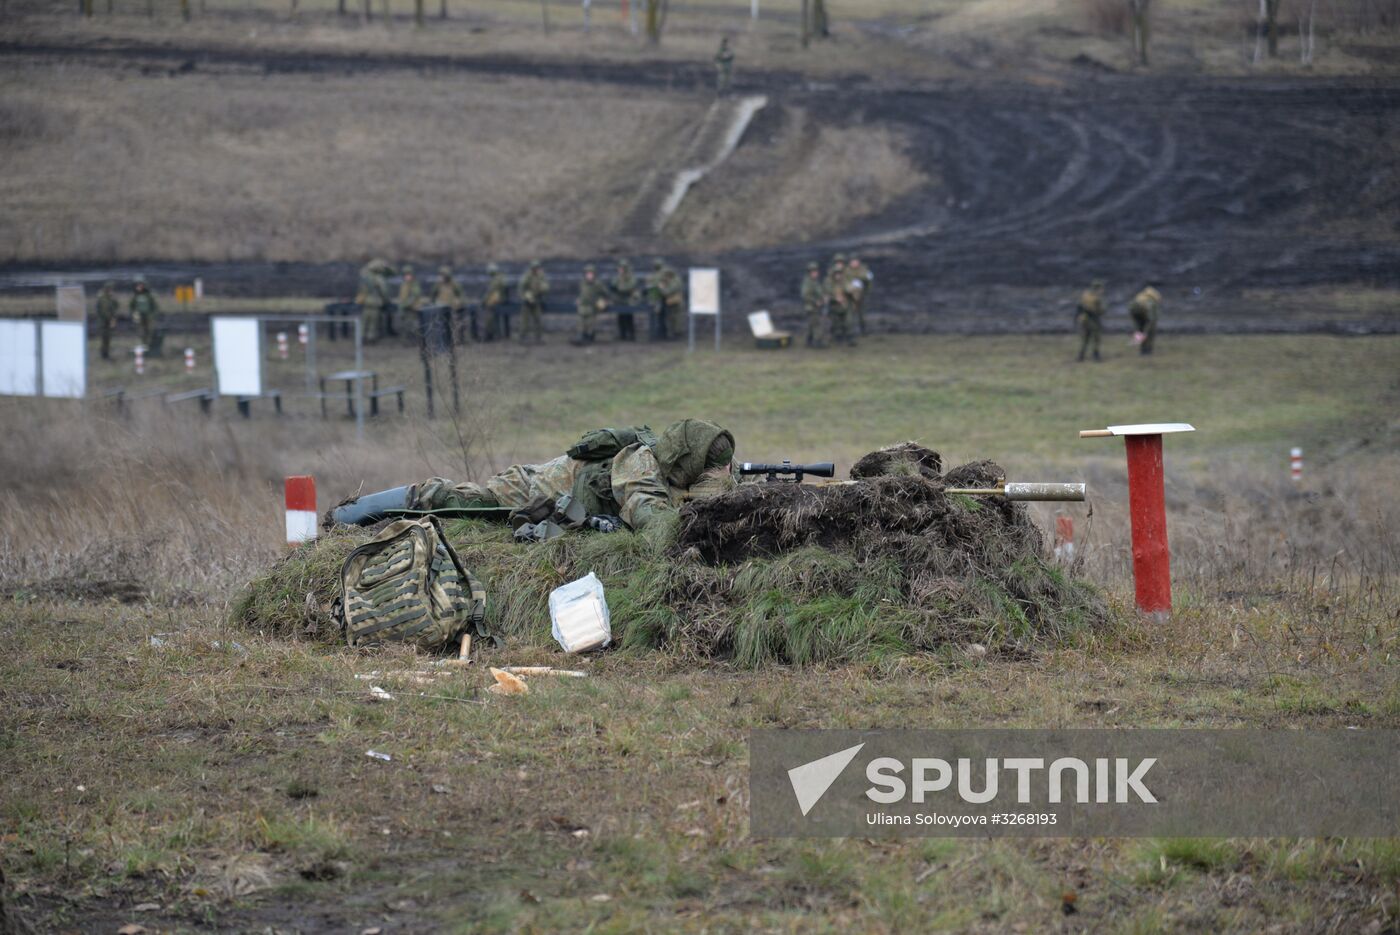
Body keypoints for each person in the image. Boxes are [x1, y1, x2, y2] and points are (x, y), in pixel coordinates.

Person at [332, 419, 736, 535]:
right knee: (458, 499)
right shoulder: (640, 465)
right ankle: (352, 513)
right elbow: (650, 518)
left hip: (556, 491)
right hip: (529, 488)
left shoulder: (674, 466)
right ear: (688, 461)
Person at [356, 258, 395, 343]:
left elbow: (361, 289)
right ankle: (371, 338)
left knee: (365, 320)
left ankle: (361, 337)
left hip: (366, 301)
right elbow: (384, 291)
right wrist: (386, 301)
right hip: (375, 301)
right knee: (373, 322)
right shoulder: (378, 278)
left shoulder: (365, 277)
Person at [575, 264, 609, 345]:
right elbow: (581, 293)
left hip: (592, 307)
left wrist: (602, 302)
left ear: (594, 274)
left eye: (590, 273)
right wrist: (579, 299)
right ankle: (581, 336)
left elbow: (605, 293)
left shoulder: (597, 284)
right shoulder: (582, 283)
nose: (589, 275)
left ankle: (589, 337)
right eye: (587, 273)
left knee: (590, 324)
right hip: (582, 306)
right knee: (580, 323)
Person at [129, 275, 162, 357]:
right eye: (138, 285)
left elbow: (154, 306)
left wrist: (153, 315)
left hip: (148, 316)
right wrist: (134, 314)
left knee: (149, 331)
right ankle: (143, 345)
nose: (139, 287)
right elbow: (132, 306)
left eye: (141, 285)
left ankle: (148, 346)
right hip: (140, 317)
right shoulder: (135, 296)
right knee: (141, 331)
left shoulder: (148, 295)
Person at [825, 254, 855, 346]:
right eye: (837, 262)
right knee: (836, 323)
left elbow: (850, 288)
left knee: (848, 322)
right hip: (835, 305)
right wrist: (835, 298)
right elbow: (827, 292)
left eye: (841, 262)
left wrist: (850, 292)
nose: (839, 264)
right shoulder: (829, 280)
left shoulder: (847, 277)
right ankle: (838, 338)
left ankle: (849, 338)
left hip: (846, 304)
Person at [432, 265, 467, 341]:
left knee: (454, 324)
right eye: (441, 275)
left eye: (444, 275)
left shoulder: (454, 284)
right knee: (440, 325)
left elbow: (461, 295)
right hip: (440, 308)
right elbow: (433, 294)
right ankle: (442, 341)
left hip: (452, 308)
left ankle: (455, 340)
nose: (442, 277)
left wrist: (459, 302)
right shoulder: (438, 284)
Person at [609, 258, 641, 341]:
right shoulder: (618, 277)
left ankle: (631, 335)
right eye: (619, 268)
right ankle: (622, 334)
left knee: (629, 318)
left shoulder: (630, 277)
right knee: (620, 318)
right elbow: (613, 285)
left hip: (628, 300)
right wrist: (615, 285)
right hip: (619, 300)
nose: (620, 269)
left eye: (622, 268)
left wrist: (618, 287)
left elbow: (629, 287)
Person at [518, 259, 549, 344]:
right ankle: (522, 338)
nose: (536, 269)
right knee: (525, 321)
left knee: (538, 320)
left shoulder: (541, 276)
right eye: (534, 267)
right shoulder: (527, 276)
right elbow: (521, 288)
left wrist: (542, 288)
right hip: (527, 302)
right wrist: (525, 296)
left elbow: (546, 286)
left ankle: (538, 338)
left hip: (536, 301)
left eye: (537, 267)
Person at [1076, 279, 1107, 362]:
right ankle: (1096, 355)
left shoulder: (1085, 294)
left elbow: (1079, 306)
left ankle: (1081, 356)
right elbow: (1100, 311)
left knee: (1085, 338)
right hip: (1093, 319)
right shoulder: (1097, 298)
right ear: (1098, 288)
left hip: (1083, 319)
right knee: (1096, 338)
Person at [1128, 282, 1162, 355]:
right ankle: (1148, 350)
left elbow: (1132, 310)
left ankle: (1142, 349)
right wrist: (1147, 330)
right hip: (1146, 316)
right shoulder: (1152, 301)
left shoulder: (1140, 297)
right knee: (1149, 332)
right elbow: (1152, 318)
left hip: (1136, 315)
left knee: (1140, 331)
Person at [482, 262, 509, 341]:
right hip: (497, 301)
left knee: (490, 317)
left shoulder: (497, 279)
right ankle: (492, 334)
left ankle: (491, 335)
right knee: (491, 317)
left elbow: (491, 292)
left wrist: (484, 301)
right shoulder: (499, 278)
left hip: (497, 301)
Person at [801, 261, 826, 347]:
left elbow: (819, 293)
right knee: (817, 325)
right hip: (811, 307)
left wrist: (823, 298)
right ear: (809, 272)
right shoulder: (808, 282)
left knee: (812, 324)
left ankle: (809, 341)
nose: (815, 273)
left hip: (815, 307)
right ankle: (817, 342)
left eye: (816, 271)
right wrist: (815, 302)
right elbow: (805, 295)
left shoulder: (815, 282)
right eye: (813, 271)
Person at [396, 264, 424, 339]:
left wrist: (405, 304)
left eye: (408, 274)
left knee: (413, 325)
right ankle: (407, 339)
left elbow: (415, 296)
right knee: (405, 325)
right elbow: (401, 296)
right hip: (405, 308)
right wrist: (401, 305)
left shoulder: (414, 284)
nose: (407, 276)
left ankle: (415, 340)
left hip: (412, 308)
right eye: (405, 274)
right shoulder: (404, 284)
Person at [847, 256, 873, 334]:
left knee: (862, 314)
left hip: (861, 295)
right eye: (852, 261)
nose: (854, 263)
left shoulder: (863, 269)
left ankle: (863, 329)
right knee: (850, 314)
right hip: (850, 295)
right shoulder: (847, 270)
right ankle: (850, 330)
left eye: (855, 261)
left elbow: (868, 278)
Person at [95, 281, 120, 361]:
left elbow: (116, 306)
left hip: (107, 322)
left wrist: (114, 299)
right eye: (110, 289)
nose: (111, 290)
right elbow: (104, 312)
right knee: (105, 339)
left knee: (108, 339)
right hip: (104, 322)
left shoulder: (109, 298)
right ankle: (104, 355)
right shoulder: (103, 298)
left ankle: (106, 354)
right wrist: (111, 319)